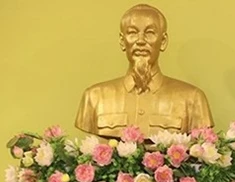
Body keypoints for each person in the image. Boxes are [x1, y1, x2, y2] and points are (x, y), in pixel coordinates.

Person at [75, 4, 213, 138]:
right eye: (132, 33)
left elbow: (201, 147)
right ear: (122, 41)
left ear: (163, 41)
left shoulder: (192, 99)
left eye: (150, 33)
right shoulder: (94, 97)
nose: (140, 41)